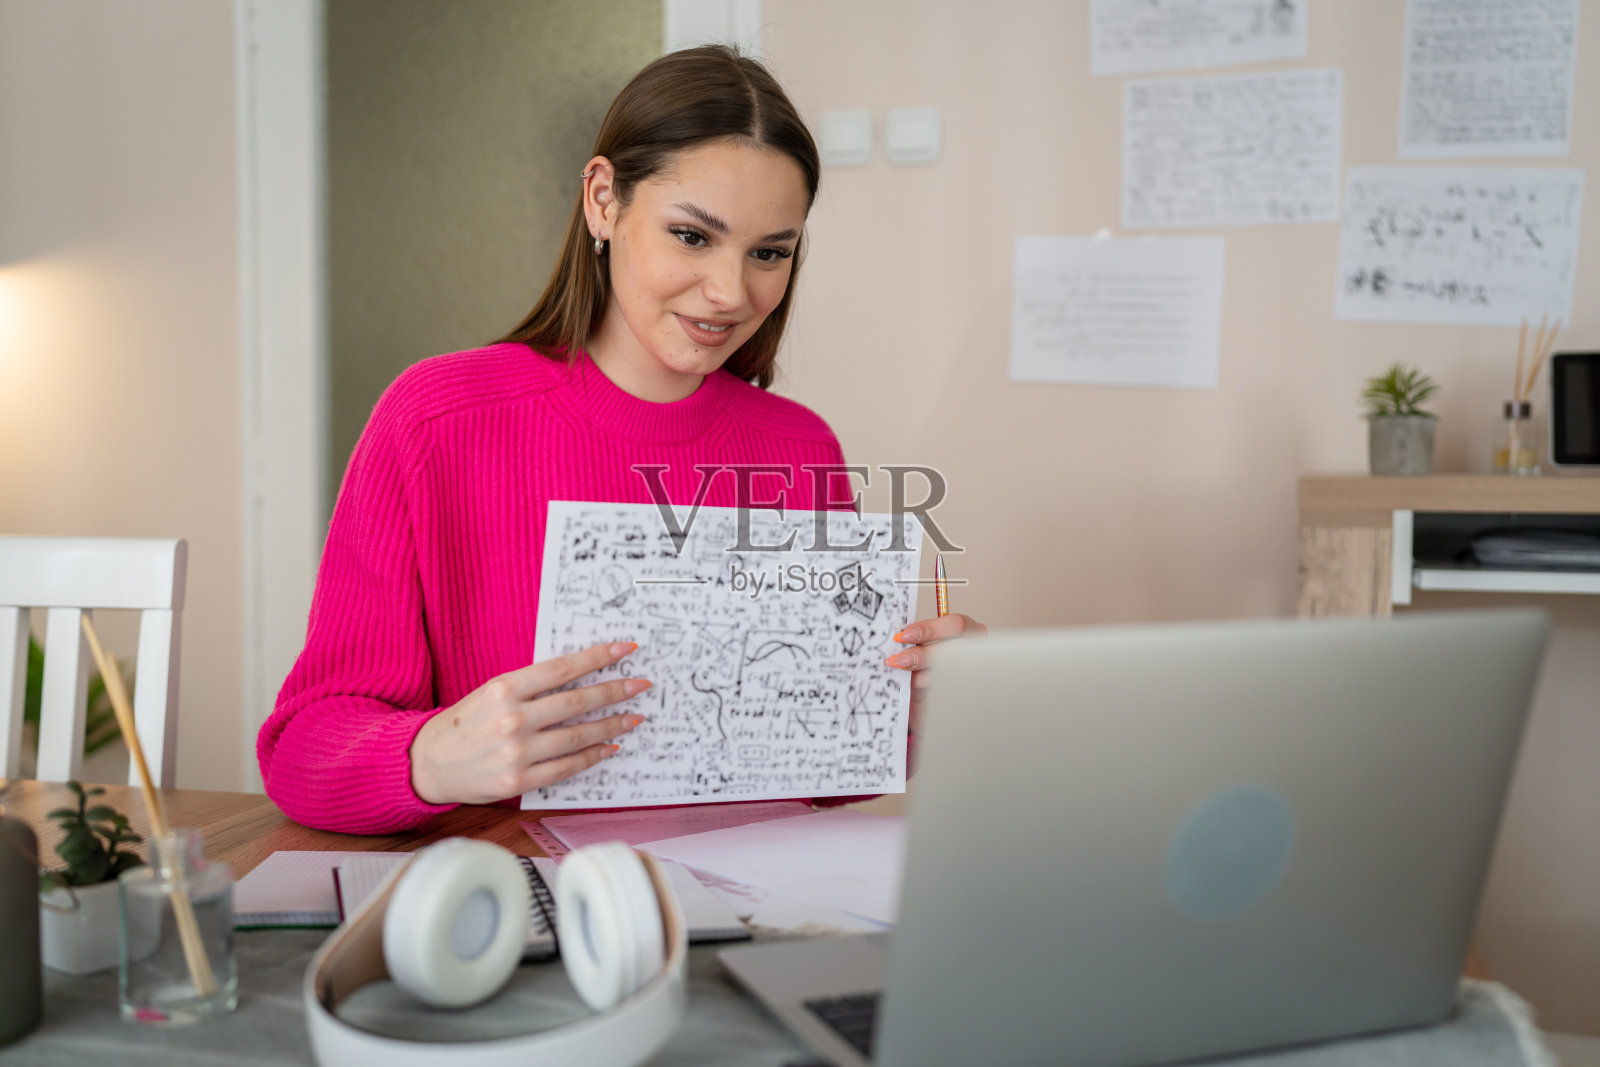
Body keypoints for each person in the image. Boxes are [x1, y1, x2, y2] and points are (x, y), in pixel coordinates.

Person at [258, 45, 984, 834]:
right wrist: (429, 757)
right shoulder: (435, 419)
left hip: (746, 906)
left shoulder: (800, 447)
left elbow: (816, 774)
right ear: (603, 201)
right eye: (693, 236)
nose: (731, 293)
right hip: (522, 903)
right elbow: (302, 749)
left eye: (769, 252)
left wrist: (903, 708)